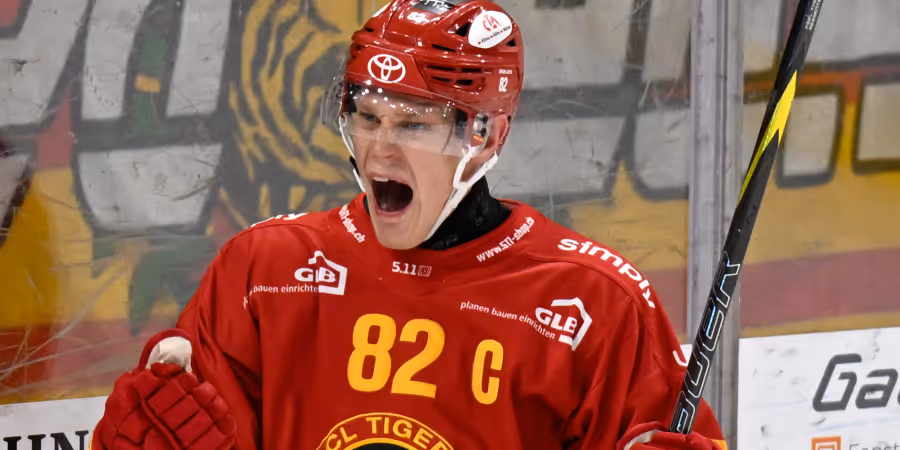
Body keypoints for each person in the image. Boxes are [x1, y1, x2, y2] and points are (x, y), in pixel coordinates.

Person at [90, 0, 727, 448]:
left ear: (486, 135)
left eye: (414, 125)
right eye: (368, 117)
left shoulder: (592, 302)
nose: (380, 151)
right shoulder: (266, 270)